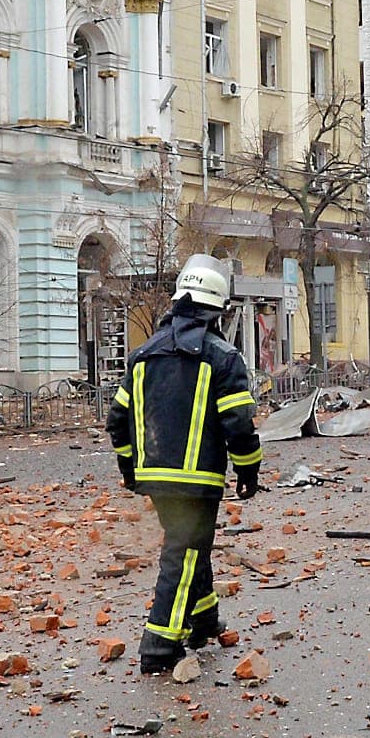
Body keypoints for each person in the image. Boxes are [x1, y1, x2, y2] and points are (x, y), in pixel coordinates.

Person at [106, 255, 263, 673]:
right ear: (217, 310)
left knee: (192, 545)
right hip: (197, 480)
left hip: (153, 476)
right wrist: (248, 470)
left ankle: (204, 619)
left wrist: (129, 470)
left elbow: (117, 420)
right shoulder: (222, 357)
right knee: (185, 552)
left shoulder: (142, 356)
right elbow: (238, 424)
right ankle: (159, 644)